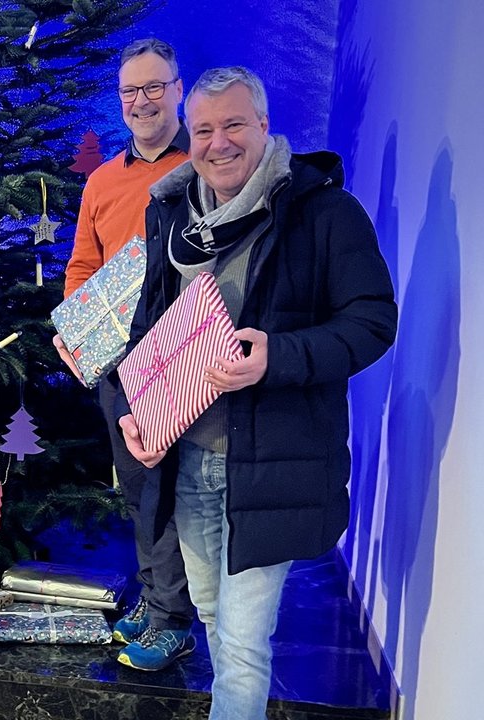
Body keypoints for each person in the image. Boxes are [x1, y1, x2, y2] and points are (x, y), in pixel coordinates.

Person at [113, 67, 397, 719]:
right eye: (206, 129)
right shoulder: (176, 215)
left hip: (267, 472)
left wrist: (279, 356)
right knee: (212, 618)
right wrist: (138, 410)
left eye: (234, 125)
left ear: (265, 126)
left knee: (240, 648)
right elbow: (149, 325)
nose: (218, 143)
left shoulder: (324, 213)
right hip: (186, 465)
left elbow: (373, 322)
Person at [53, 38, 195, 671]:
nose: (142, 101)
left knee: (175, 488)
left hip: (185, 357)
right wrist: (77, 330)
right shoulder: (104, 181)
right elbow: (84, 263)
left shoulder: (205, 167)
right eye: (130, 91)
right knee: (139, 487)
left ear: (178, 89)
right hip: (118, 359)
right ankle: (156, 597)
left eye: (154, 87)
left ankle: (173, 618)